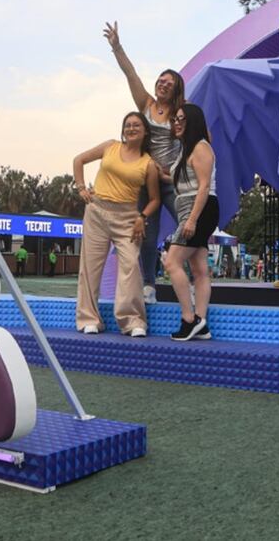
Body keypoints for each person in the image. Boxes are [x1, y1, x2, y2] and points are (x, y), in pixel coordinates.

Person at [103, 21, 183, 305]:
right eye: (161, 80)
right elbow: (130, 73)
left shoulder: (180, 114)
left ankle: (192, 278)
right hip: (145, 183)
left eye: (169, 83)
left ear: (175, 91)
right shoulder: (146, 104)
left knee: (189, 223)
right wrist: (117, 47)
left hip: (170, 182)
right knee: (146, 237)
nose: (163, 84)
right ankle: (148, 285)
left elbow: (197, 142)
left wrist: (173, 173)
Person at [73, 111, 160, 337]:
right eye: (128, 125)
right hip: (97, 212)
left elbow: (155, 200)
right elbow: (78, 160)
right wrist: (81, 187)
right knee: (90, 267)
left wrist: (142, 217)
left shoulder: (148, 164)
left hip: (128, 218)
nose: (131, 129)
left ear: (145, 132)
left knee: (131, 267)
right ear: (123, 130)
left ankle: (132, 321)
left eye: (136, 126)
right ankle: (88, 318)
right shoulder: (110, 147)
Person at [162, 104, 218, 341]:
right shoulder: (187, 151)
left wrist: (192, 219)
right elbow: (182, 180)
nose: (176, 123)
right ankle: (202, 324)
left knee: (172, 262)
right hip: (189, 206)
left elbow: (203, 186)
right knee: (199, 269)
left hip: (199, 208)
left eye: (182, 119)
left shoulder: (201, 148)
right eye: (175, 119)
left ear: (193, 121)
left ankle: (189, 318)